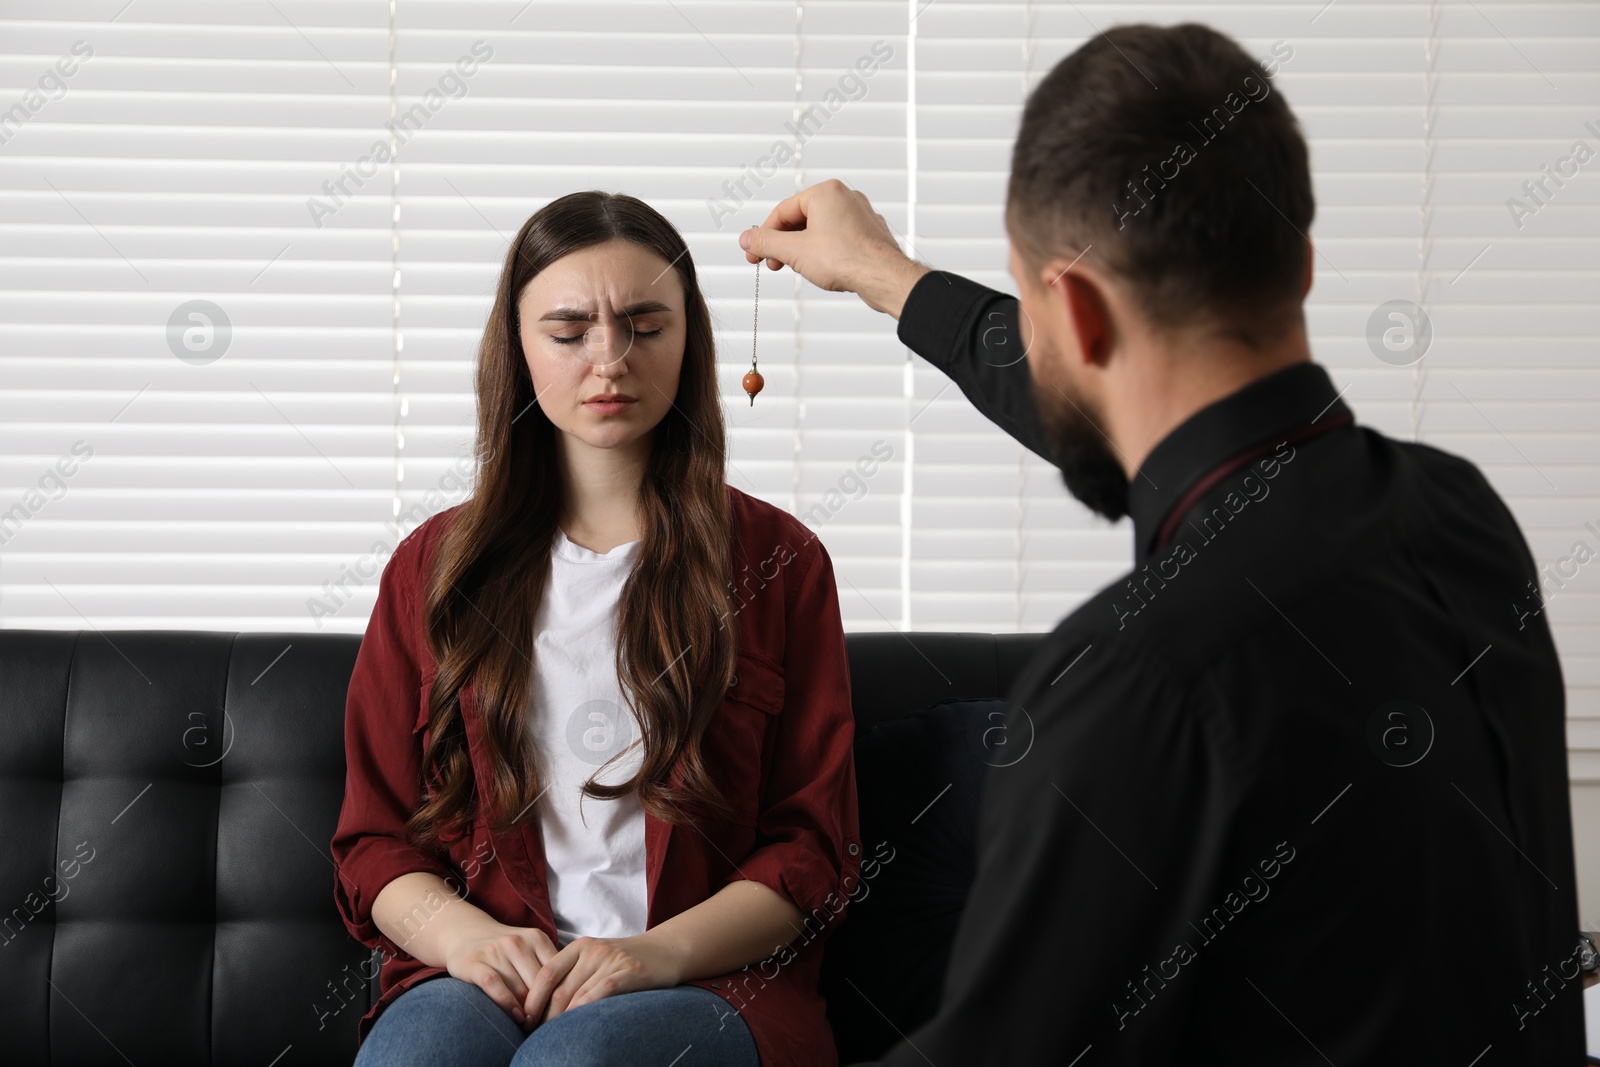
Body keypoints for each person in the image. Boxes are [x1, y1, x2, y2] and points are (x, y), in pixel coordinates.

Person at [740, 22, 1584, 1066]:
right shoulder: (1460, 517)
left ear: (1079, 314)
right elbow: (1124, 404)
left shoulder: (1141, 679)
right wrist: (893, 278)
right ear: (1303, 264)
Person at [331, 190, 863, 1067]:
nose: (609, 358)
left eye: (646, 326)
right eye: (569, 331)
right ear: (519, 347)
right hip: (480, 974)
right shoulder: (432, 567)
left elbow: (810, 854)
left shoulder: (783, 562)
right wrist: (467, 939)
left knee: (571, 1061)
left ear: (688, 340)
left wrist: (648, 955)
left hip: (710, 985)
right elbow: (373, 841)